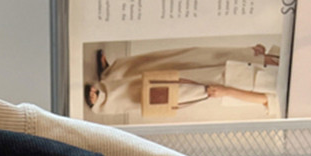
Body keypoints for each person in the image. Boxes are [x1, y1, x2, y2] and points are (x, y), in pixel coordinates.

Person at [84, 44, 280, 117]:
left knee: (167, 88)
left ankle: (106, 98)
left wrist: (227, 92)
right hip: (246, 59)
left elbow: (270, 100)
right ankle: (115, 72)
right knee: (175, 59)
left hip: (232, 82)